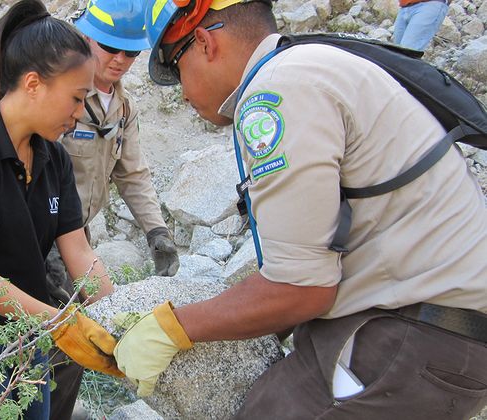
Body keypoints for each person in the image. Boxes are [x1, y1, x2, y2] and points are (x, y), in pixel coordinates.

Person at [113, 0, 487, 418]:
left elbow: (301, 288)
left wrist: (171, 328)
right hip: (426, 328)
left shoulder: (278, 91)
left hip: (409, 336)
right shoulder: (309, 66)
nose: (182, 92)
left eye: (177, 69)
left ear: (204, 42)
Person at [0, 1, 123, 418]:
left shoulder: (53, 157)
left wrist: (119, 318)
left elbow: (79, 251)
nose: (79, 113)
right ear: (33, 83)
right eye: (76, 98)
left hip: (28, 336)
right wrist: (64, 323)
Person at [43, 1, 179, 418]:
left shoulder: (122, 108)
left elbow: (132, 174)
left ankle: (58, 409)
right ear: (87, 38)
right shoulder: (59, 98)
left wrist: (157, 232)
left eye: (131, 52)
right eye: (110, 48)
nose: (120, 59)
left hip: (76, 235)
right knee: (56, 333)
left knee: (79, 335)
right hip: (39, 236)